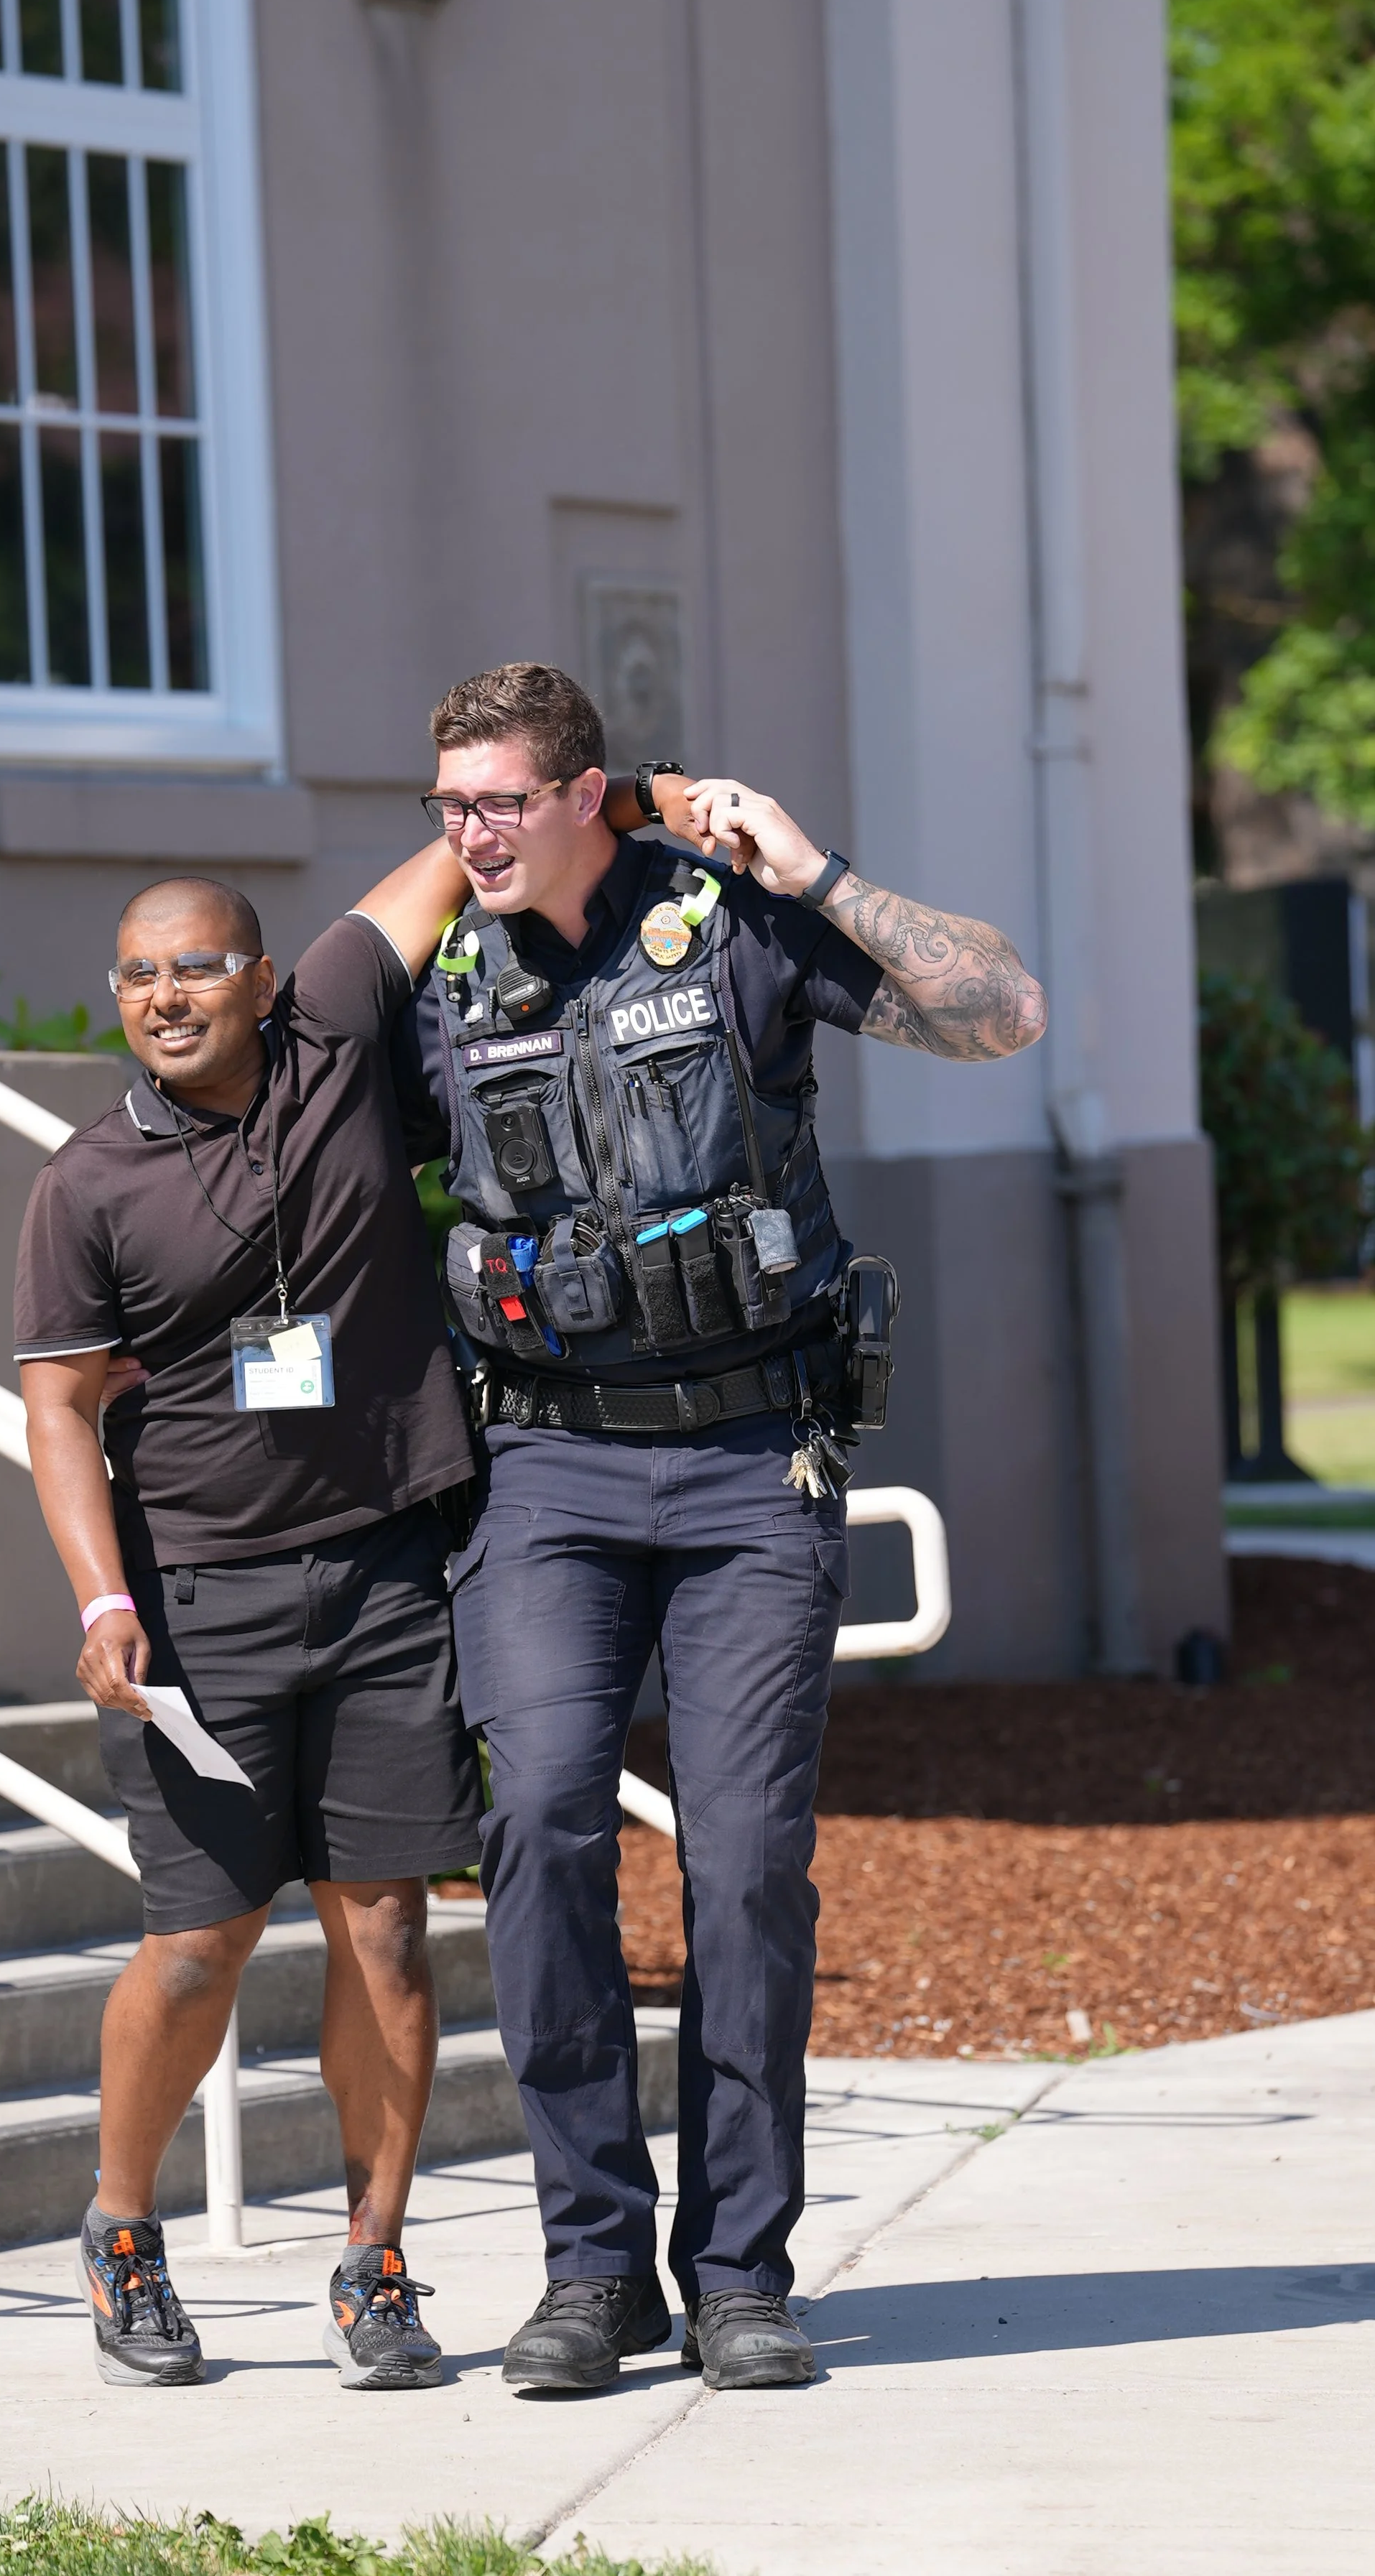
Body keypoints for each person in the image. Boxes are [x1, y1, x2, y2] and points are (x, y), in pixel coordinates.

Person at [392, 661, 1047, 2394]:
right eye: (447, 801)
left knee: (746, 1866)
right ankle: (589, 2273)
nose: (467, 832)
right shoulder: (443, 975)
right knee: (537, 1820)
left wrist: (808, 869)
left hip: (757, 1464)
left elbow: (998, 1012)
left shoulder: (727, 927)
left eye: (499, 801)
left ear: (584, 790)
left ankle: (739, 2272)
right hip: (546, 1471)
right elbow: (297, 1096)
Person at [14, 786, 687, 2392]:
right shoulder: (88, 1182)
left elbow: (466, 845)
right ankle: (120, 2229)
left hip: (391, 1566)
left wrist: (630, 796)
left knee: (383, 1932)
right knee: (199, 1942)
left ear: (258, 975)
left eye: (193, 966)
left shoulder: (331, 1024)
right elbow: (59, 1405)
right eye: (134, 976)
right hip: (197, 1599)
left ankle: (374, 2257)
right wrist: (104, 1601)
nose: (163, 997)